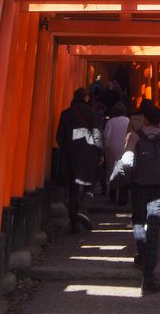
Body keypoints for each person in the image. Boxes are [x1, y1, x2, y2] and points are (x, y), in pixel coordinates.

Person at [121, 103, 160, 294]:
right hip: (159, 189)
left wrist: (129, 175)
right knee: (154, 228)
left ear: (144, 119)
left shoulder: (135, 136)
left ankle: (143, 255)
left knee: (138, 221)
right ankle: (149, 277)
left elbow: (127, 161)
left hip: (138, 186)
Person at [56, 87, 104, 233]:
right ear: (87, 98)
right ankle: (83, 210)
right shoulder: (93, 114)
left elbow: (59, 137)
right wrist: (100, 152)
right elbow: (96, 134)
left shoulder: (65, 114)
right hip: (89, 154)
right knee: (90, 184)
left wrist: (68, 148)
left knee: (73, 187)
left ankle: (74, 222)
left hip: (71, 154)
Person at [104, 101, 130, 204]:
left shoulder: (110, 122)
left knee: (112, 170)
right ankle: (123, 197)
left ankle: (112, 194)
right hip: (125, 147)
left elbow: (105, 136)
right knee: (125, 171)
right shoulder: (128, 120)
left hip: (111, 147)